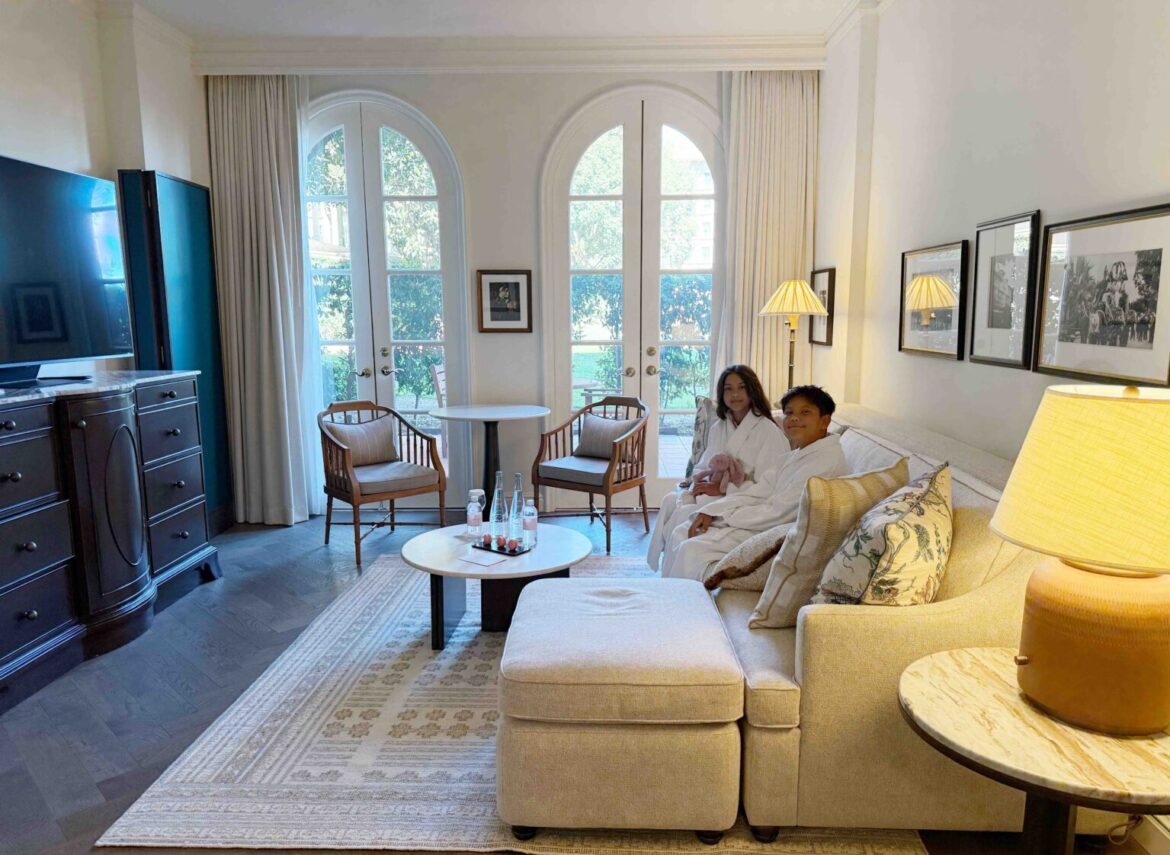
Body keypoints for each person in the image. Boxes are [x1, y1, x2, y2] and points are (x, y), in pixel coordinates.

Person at [659, 385, 848, 581]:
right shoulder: (797, 455)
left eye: (805, 412)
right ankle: (666, 596)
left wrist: (723, 517)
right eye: (789, 413)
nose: (794, 418)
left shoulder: (825, 462)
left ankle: (685, 600)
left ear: (825, 421)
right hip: (759, 521)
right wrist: (713, 510)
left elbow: (780, 513)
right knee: (682, 530)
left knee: (690, 549)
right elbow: (759, 491)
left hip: (777, 533)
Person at [646, 365, 788, 572]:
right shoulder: (719, 427)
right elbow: (703, 465)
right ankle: (670, 578)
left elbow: (768, 487)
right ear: (722, 394)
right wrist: (703, 483)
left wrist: (723, 490)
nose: (735, 394)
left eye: (741, 387)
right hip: (717, 494)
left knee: (682, 519)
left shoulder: (768, 431)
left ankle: (681, 581)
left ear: (752, 390)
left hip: (742, 500)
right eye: (728, 389)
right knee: (670, 501)